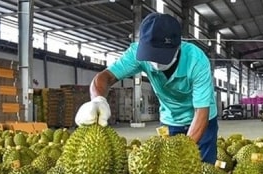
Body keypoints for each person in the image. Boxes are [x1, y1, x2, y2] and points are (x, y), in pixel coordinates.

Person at [75, 12, 218, 164]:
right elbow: (105, 77)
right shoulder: (137, 54)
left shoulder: (197, 61)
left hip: (203, 120)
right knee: (169, 169)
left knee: (204, 169)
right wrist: (98, 100)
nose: (155, 63)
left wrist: (183, 151)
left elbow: (201, 112)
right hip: (170, 119)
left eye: (161, 55)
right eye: (151, 55)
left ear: (178, 46)